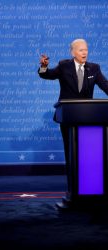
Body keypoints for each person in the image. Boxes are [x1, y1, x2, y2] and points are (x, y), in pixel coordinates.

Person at [38, 38, 108, 196]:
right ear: (73, 52)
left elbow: (105, 85)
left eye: (86, 50)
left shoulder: (94, 68)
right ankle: (73, 190)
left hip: (89, 119)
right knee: (71, 152)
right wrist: (43, 66)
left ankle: (90, 190)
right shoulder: (64, 66)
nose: (85, 53)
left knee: (88, 156)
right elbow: (48, 75)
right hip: (69, 117)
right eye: (81, 50)